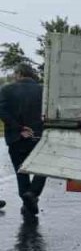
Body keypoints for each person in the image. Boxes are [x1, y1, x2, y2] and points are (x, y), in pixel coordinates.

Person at [0, 64, 45, 216]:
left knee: (21, 171)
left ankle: (28, 199)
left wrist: (19, 128)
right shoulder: (43, 90)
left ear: (19, 73)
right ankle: (32, 194)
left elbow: (2, 111)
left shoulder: (6, 89)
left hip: (16, 137)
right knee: (42, 168)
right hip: (38, 136)